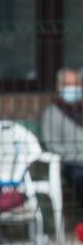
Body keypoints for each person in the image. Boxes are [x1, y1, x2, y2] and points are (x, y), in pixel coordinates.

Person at [40, 68, 83, 231]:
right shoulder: (52, 113)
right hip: (71, 164)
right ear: (60, 87)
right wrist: (78, 155)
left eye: (76, 84)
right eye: (68, 84)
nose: (73, 88)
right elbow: (51, 145)